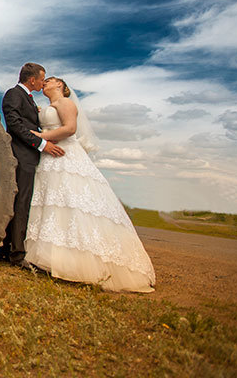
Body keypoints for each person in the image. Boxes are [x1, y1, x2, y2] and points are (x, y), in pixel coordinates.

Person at [25, 77, 155, 292]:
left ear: (60, 86)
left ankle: (85, 262)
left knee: (73, 203)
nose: (45, 83)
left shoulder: (66, 104)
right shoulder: (48, 106)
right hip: (49, 157)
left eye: (50, 81)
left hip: (64, 154)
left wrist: (41, 136)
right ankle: (53, 259)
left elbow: (69, 129)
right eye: (44, 80)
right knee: (54, 204)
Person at [0, 63, 65, 268]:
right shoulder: (13, 94)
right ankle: (16, 255)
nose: (43, 82)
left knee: (22, 202)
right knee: (21, 204)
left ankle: (7, 250)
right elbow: (15, 125)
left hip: (29, 156)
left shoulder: (27, 97)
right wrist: (42, 144)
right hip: (22, 155)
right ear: (32, 80)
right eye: (41, 79)